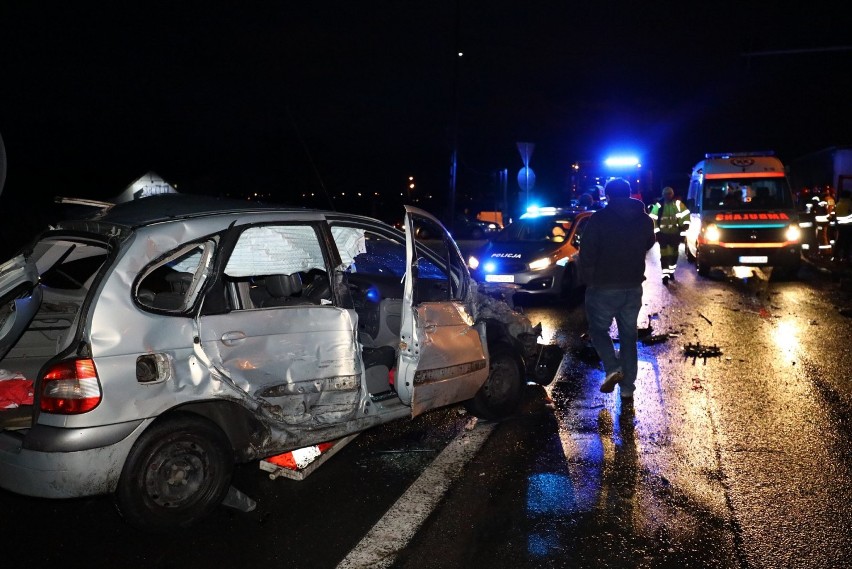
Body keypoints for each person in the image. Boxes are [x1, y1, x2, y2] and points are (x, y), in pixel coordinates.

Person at [579, 177, 655, 400]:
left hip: (603, 285)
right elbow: (649, 243)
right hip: (632, 285)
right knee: (628, 335)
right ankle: (628, 389)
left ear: (608, 195)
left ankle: (613, 367)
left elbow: (587, 251)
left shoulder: (599, 218)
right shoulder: (645, 220)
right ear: (630, 193)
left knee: (598, 330)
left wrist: (590, 279)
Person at [648, 186, 690, 285]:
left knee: (674, 255)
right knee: (665, 256)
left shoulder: (678, 205)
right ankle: (665, 275)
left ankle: (671, 272)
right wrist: (657, 232)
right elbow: (652, 219)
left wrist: (684, 227)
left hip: (675, 234)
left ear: (672, 194)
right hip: (663, 235)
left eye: (669, 194)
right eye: (666, 194)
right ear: (663, 195)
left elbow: (686, 216)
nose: (668, 196)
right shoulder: (658, 206)